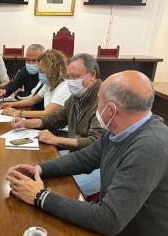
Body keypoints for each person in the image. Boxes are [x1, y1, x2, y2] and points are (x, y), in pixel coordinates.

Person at [6, 70, 168, 236]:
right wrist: (38, 168)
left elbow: (108, 219)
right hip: (128, 230)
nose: (96, 106)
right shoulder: (122, 128)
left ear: (111, 109)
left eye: (98, 101)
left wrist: (40, 197)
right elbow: (85, 159)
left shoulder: (149, 146)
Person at [11, 53, 104, 197]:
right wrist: (26, 123)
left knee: (50, 189)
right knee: (35, 170)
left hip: (98, 167)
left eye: (75, 77)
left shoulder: (103, 100)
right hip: (77, 157)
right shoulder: (77, 97)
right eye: (69, 77)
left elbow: (95, 144)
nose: (71, 82)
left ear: (92, 75)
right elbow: (55, 119)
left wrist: (55, 140)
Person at [0, 49, 71, 119]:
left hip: (60, 129)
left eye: (42, 71)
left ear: (53, 71)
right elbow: (32, 100)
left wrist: (18, 113)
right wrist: (12, 104)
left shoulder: (64, 87)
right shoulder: (48, 84)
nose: (40, 74)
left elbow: (47, 113)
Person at [0, 44, 45, 111]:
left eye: (34, 60)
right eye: (27, 60)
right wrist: (4, 91)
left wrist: (18, 92)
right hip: (29, 108)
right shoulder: (24, 70)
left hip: (40, 110)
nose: (30, 63)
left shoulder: (44, 74)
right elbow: (14, 83)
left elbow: (31, 97)